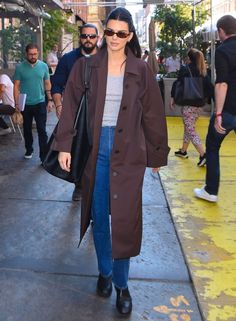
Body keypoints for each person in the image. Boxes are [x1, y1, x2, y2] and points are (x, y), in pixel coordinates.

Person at [52, 7, 169, 315]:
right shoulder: (86, 67)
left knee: (126, 221)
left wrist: (157, 153)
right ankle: (104, 271)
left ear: (129, 35)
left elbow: (154, 113)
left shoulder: (141, 69)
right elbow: (71, 104)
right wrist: (64, 146)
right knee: (99, 214)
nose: (115, 38)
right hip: (96, 150)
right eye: (110, 32)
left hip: (130, 150)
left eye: (121, 33)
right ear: (104, 33)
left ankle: (121, 283)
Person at [52, 23, 99, 201]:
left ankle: (95, 193)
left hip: (100, 114)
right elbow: (57, 84)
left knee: (97, 154)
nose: (88, 39)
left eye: (92, 36)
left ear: (97, 38)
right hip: (76, 114)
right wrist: (58, 105)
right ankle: (79, 185)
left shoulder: (107, 59)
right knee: (78, 150)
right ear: (80, 37)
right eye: (84, 36)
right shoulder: (68, 59)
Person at [194, 15, 236, 202]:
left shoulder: (223, 50)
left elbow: (222, 84)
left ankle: (211, 190)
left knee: (212, 147)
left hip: (227, 111)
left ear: (221, 31)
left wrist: (218, 113)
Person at [170, 48, 214, 167]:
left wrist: (173, 97)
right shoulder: (203, 71)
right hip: (199, 105)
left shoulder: (185, 69)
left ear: (189, 58)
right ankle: (183, 151)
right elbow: (210, 88)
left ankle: (203, 154)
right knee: (188, 127)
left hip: (188, 104)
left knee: (190, 129)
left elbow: (177, 84)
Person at [13, 44, 54, 162]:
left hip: (40, 102)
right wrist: (17, 104)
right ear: (26, 54)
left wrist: (50, 100)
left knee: (42, 130)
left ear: (38, 53)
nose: (33, 56)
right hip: (25, 103)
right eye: (30, 54)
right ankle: (29, 149)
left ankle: (43, 155)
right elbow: (16, 86)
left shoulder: (43, 66)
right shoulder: (20, 67)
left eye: (35, 54)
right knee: (27, 129)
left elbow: (47, 83)